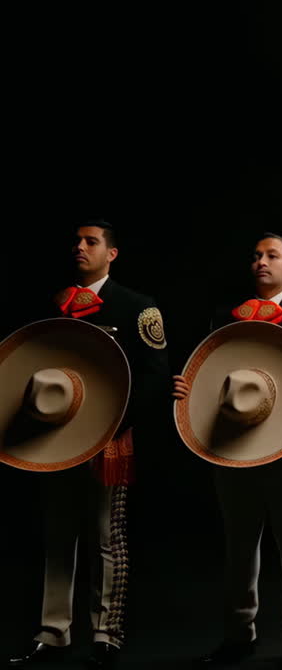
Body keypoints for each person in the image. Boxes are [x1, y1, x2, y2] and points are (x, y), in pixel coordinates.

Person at [173, 233, 282, 668]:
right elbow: (211, 377)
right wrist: (188, 392)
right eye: (256, 256)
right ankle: (238, 632)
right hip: (233, 444)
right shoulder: (225, 316)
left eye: (272, 256)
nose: (261, 262)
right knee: (238, 541)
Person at [6, 220, 169, 669]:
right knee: (57, 535)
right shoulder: (52, 303)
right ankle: (52, 631)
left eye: (91, 242)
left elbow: (154, 379)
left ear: (111, 253)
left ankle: (105, 633)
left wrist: (109, 424)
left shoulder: (138, 307)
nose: (79, 248)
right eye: (76, 242)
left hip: (108, 437)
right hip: (52, 437)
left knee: (105, 538)